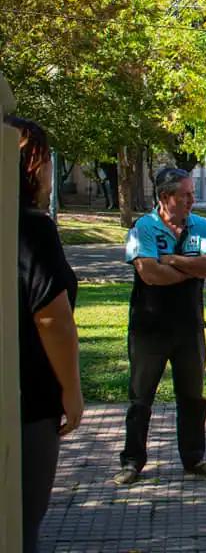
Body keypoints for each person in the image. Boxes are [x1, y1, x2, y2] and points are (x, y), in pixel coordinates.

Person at [115, 168, 206, 485]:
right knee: (140, 399)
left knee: (193, 398)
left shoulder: (201, 226)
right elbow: (150, 274)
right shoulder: (143, 228)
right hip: (149, 328)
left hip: (190, 327)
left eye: (192, 193)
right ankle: (132, 461)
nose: (193, 200)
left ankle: (194, 459)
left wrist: (173, 260)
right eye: (186, 195)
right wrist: (194, 268)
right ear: (165, 198)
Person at [12, 116, 84, 553]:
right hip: (28, 400)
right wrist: (71, 392)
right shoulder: (32, 228)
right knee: (21, 521)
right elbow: (51, 318)